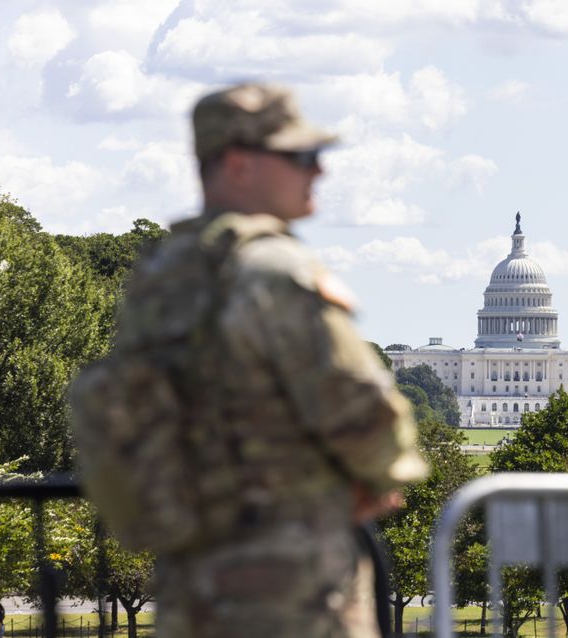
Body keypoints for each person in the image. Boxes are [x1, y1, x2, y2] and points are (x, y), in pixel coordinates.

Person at [115, 83, 428, 637]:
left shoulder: (163, 276)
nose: (319, 172)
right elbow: (369, 416)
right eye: (301, 157)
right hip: (292, 581)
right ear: (239, 164)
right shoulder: (273, 271)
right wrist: (378, 475)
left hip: (192, 576)